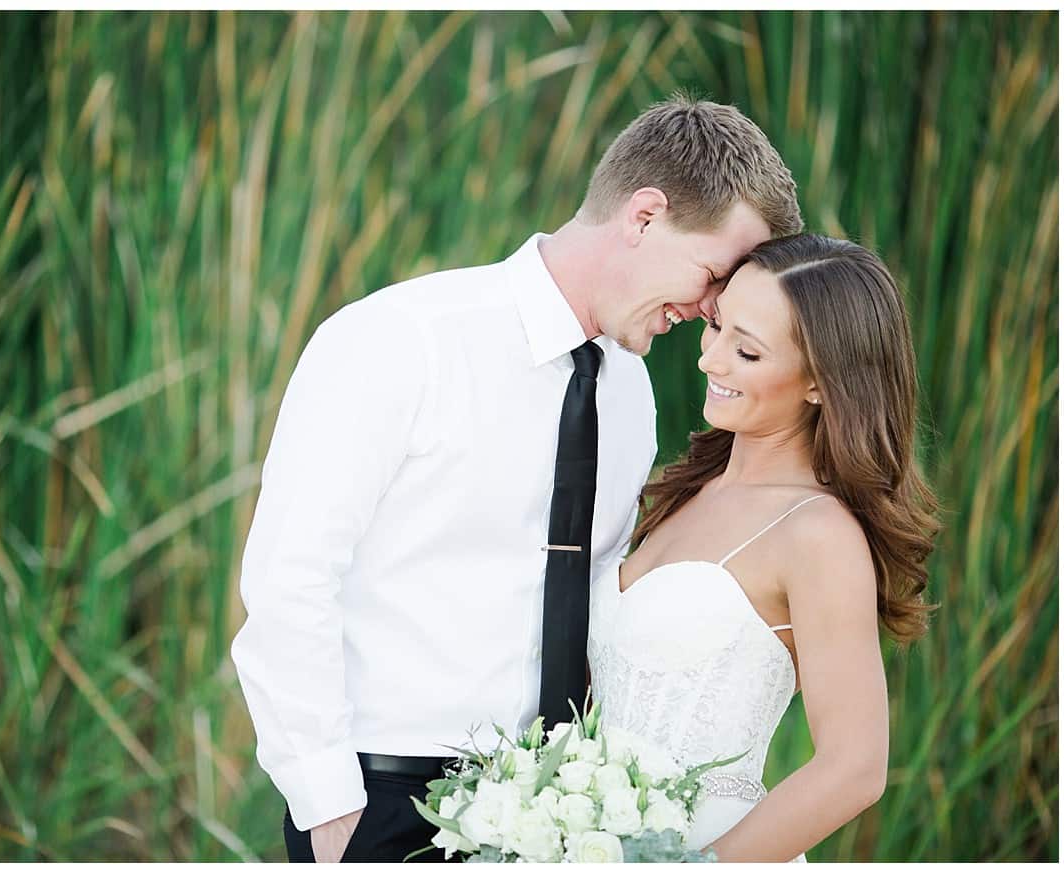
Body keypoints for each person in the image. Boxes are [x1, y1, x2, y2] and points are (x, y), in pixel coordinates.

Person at [230, 96, 803, 863]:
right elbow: (289, 579)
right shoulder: (400, 340)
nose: (710, 310)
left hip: (562, 813)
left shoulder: (629, 393)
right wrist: (328, 803)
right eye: (711, 274)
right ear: (643, 216)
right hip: (384, 804)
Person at [588, 234, 940, 862]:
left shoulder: (817, 534)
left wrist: (695, 867)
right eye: (717, 326)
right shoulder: (684, 489)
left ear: (819, 384)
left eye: (746, 351)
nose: (710, 361)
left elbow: (855, 767)